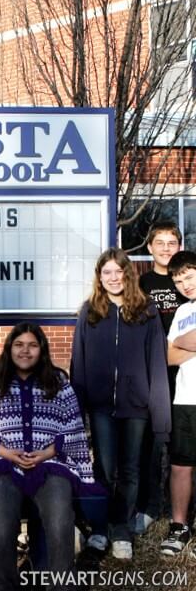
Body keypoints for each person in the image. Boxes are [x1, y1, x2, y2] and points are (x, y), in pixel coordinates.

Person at [0, 323, 96, 591]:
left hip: (50, 463)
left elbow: (73, 425)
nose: (25, 351)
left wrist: (48, 452)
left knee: (61, 514)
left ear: (42, 350)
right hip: (3, 464)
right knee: (2, 518)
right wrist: (5, 452)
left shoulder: (58, 382)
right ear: (9, 347)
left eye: (32, 345)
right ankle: (2, 584)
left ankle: (61, 584)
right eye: (19, 344)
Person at [71, 247, 171, 560]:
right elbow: (79, 362)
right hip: (101, 407)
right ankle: (100, 529)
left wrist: (160, 415)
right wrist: (78, 410)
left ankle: (121, 528)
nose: (113, 278)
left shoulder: (146, 311)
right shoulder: (90, 312)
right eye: (106, 273)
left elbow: (156, 363)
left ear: (127, 275)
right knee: (104, 469)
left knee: (130, 470)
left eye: (118, 271)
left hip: (136, 407)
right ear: (99, 278)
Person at [136, 221, 185, 534]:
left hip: (185, 371)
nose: (166, 248)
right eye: (160, 243)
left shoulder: (187, 280)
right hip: (153, 373)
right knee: (151, 443)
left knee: (183, 443)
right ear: (149, 247)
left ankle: (183, 507)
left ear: (179, 247)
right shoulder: (141, 284)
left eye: (172, 243)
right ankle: (150, 506)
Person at [159, 250, 196, 557]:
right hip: (184, 397)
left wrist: (182, 342)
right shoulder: (183, 311)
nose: (186, 285)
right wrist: (185, 343)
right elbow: (169, 356)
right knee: (180, 464)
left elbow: (178, 345)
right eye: (179, 280)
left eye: (190, 276)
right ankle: (179, 526)